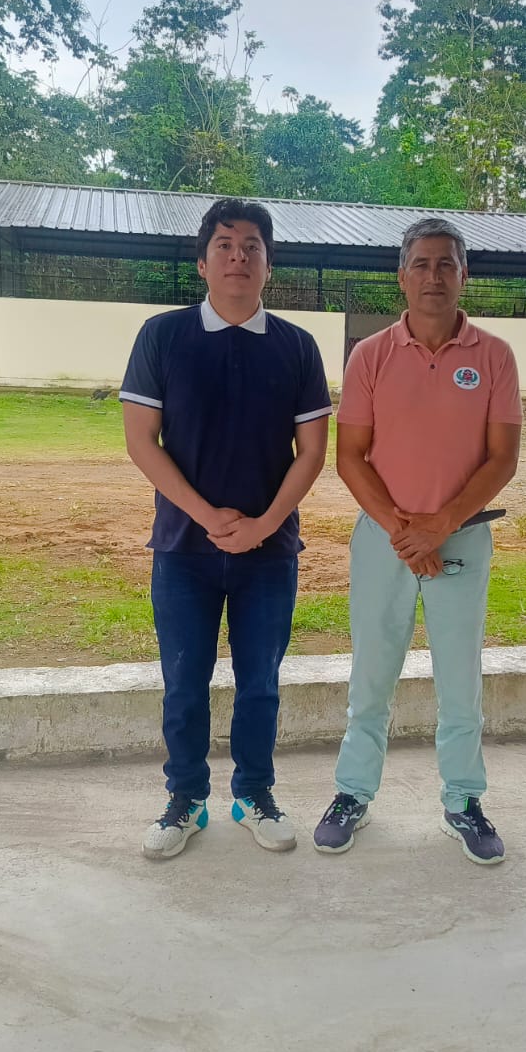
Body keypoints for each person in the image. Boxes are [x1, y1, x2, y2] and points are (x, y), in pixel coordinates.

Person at [121, 198, 331, 859]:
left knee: (260, 683)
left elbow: (313, 451)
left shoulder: (297, 347)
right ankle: (185, 799)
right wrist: (207, 515)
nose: (238, 256)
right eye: (224, 245)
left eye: (251, 247)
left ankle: (254, 795)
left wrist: (265, 523)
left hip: (270, 553)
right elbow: (142, 441)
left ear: (269, 263)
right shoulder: (163, 336)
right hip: (184, 548)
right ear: (202, 262)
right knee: (184, 682)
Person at [312, 217, 522, 865]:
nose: (435, 276)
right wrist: (406, 533)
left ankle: (463, 801)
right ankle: (353, 793)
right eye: (422, 264)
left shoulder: (494, 356)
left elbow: (502, 458)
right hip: (384, 539)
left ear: (465, 275)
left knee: (460, 680)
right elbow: (350, 457)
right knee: (372, 676)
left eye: (447, 264)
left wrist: (441, 525)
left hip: (463, 539)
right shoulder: (371, 355)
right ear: (402, 277)